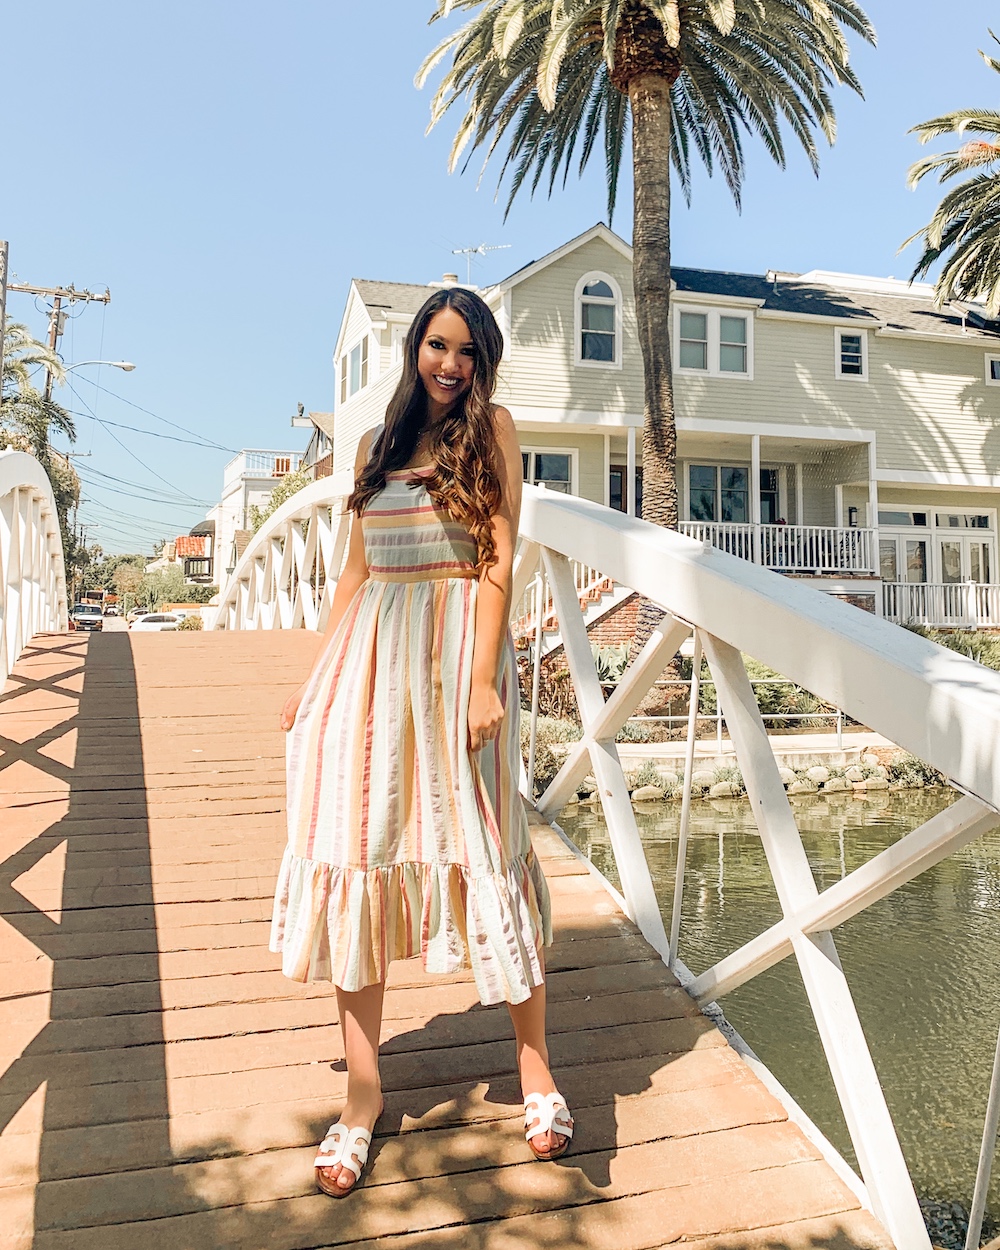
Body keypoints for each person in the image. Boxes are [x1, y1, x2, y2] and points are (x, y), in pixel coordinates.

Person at [273, 287, 573, 1197]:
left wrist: (483, 682)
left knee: (488, 848)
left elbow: (496, 560)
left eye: (467, 351)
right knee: (352, 854)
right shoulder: (372, 448)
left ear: (484, 361)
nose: (450, 365)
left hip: (455, 674)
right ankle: (362, 1098)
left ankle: (536, 1071)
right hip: (365, 672)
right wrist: (313, 680)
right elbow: (354, 577)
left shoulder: (494, 433)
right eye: (437, 346)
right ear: (416, 349)